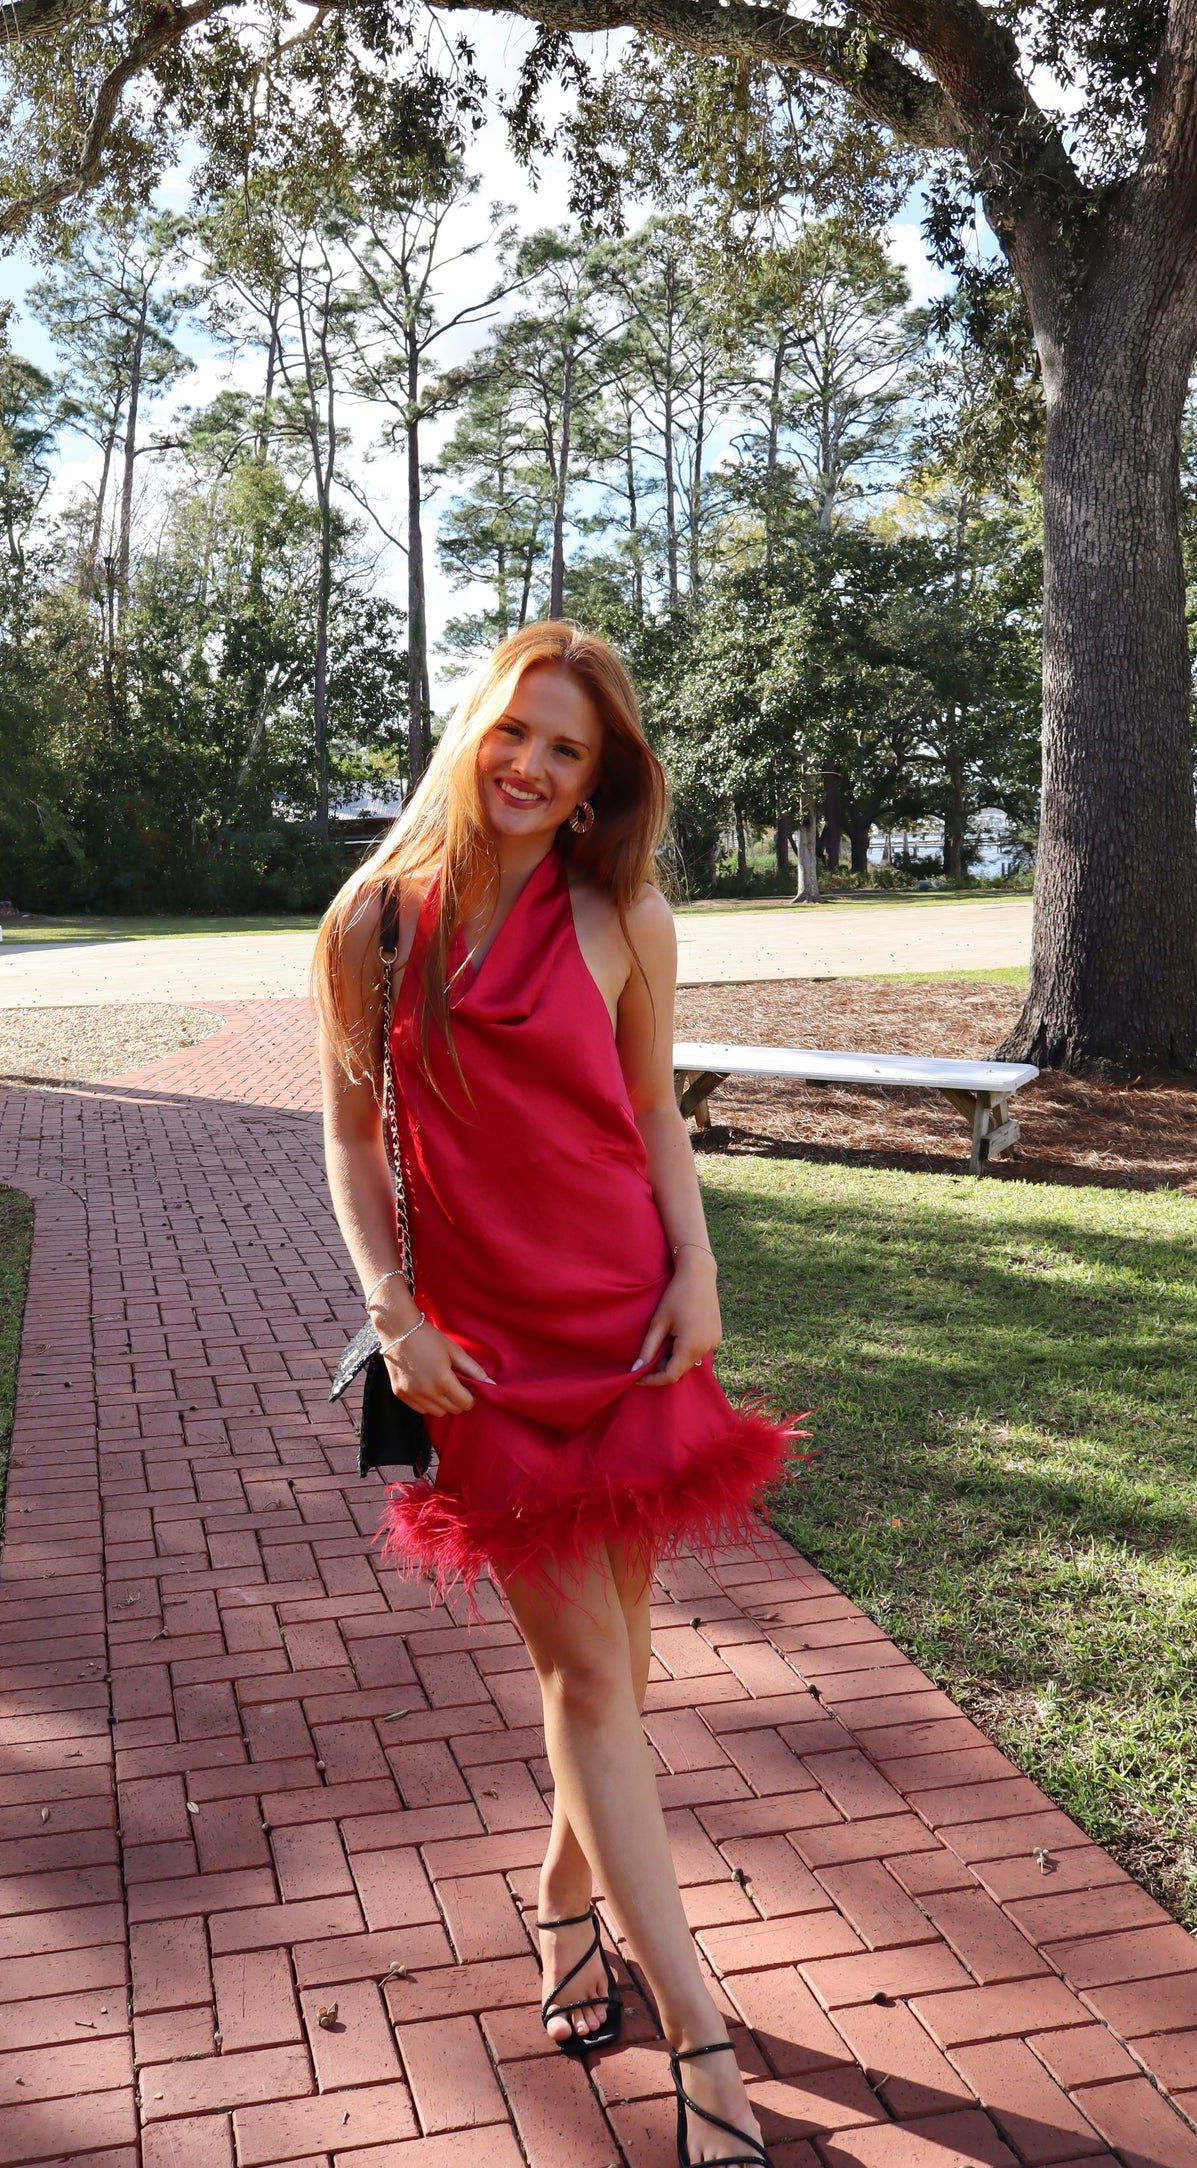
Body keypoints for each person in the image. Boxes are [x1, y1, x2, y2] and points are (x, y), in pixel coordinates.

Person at [314, 621, 798, 2168]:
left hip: (633, 1325)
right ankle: (704, 2040)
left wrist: (698, 1275)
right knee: (593, 1674)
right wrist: (392, 1315)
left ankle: (561, 1907)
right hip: (485, 1360)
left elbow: (651, 1109)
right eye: (514, 730)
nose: (530, 763)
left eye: (567, 750)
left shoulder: (622, 916)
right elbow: (347, 1141)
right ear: (472, 730)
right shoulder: (370, 924)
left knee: (616, 1672)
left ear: (597, 785)